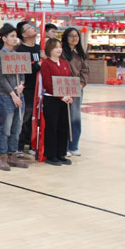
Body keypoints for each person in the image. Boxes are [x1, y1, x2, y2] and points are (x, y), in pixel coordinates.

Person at [0, 24, 29, 171]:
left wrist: (21, 85)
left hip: (20, 95)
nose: (15, 39)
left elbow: (22, 72)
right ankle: (2, 157)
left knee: (17, 127)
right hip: (6, 97)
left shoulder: (17, 55)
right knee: (5, 128)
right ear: (4, 38)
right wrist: (13, 94)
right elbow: (0, 77)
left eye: (16, 36)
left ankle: (13, 155)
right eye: (12, 36)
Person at [40, 38, 73, 166]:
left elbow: (69, 80)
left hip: (65, 99)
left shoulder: (64, 63)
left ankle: (61, 154)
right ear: (49, 49)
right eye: (55, 47)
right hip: (51, 99)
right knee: (52, 127)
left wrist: (70, 95)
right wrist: (60, 96)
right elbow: (48, 83)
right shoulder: (46, 64)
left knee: (63, 127)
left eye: (60, 47)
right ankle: (51, 155)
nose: (59, 49)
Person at [61, 28, 89, 156]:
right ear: (66, 38)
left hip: (77, 89)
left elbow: (85, 71)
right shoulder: (61, 53)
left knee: (75, 117)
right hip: (63, 88)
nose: (74, 38)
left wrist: (81, 84)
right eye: (71, 36)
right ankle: (64, 146)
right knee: (64, 116)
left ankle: (74, 145)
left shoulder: (81, 55)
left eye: (76, 36)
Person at [16, 21, 41, 155]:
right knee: (24, 116)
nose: (33, 28)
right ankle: (19, 145)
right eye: (29, 28)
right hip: (26, 88)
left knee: (34, 117)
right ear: (24, 34)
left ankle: (31, 144)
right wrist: (37, 66)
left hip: (39, 88)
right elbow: (24, 69)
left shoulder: (39, 48)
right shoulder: (20, 50)